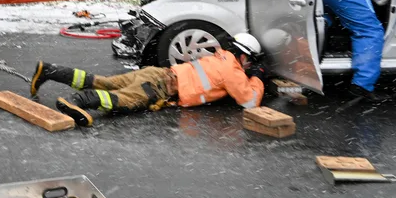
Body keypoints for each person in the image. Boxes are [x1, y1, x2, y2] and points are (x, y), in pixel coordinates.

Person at [29, 33, 268, 126]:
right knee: (122, 101)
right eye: (250, 62)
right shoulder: (233, 71)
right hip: (161, 87)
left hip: (156, 73)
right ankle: (77, 101)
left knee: (102, 82)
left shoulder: (221, 56)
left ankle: (50, 70)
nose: (250, 66)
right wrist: (257, 78)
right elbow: (249, 101)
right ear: (244, 56)